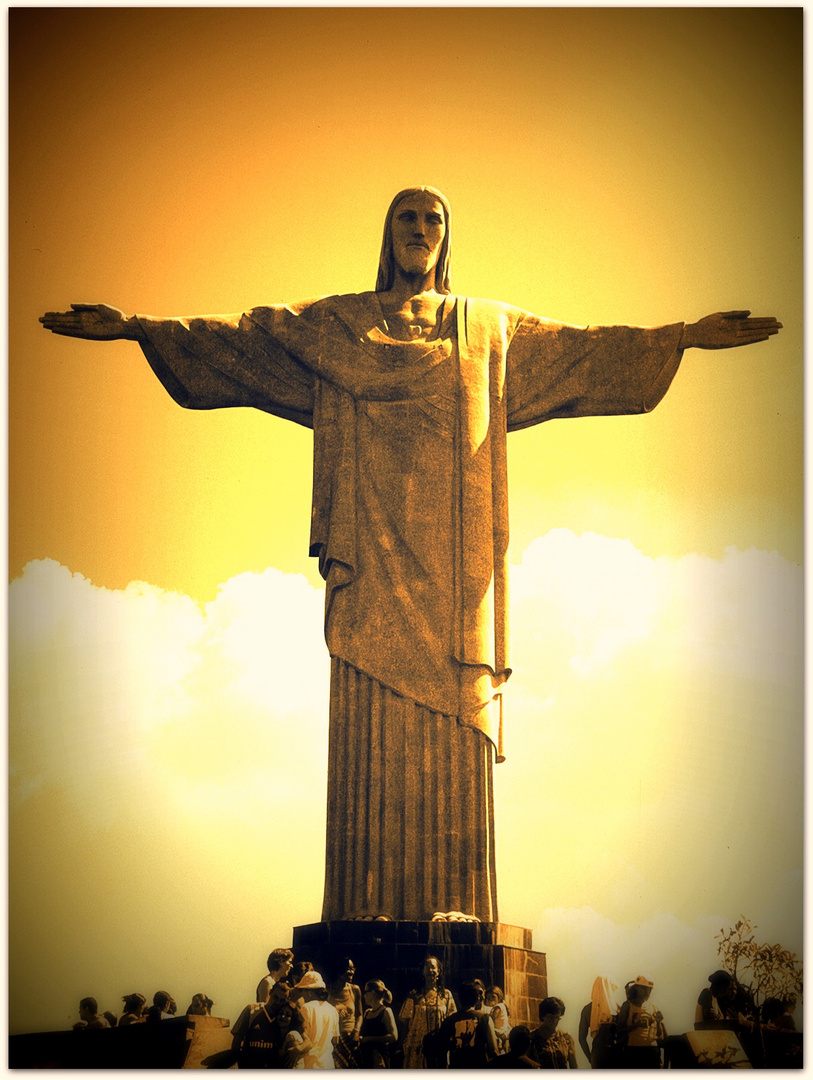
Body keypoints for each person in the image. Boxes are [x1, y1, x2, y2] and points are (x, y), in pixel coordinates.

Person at [40, 188, 782, 925]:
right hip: (368, 555)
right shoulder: (335, 328)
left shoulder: (489, 331)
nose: (419, 230)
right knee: (368, 704)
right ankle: (360, 911)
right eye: (406, 218)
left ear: (447, 238)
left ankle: (457, 909)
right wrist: (137, 328)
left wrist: (679, 336)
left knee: (454, 717)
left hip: (456, 572)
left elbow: (587, 350)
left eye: (433, 220)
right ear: (387, 233)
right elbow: (245, 337)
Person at [398, 955, 457, 1068]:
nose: (430, 970)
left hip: (439, 1044)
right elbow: (405, 1020)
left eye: (433, 967)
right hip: (416, 1045)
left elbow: (452, 1019)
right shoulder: (414, 995)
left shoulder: (446, 995)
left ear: (438, 971)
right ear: (422, 971)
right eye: (427, 967)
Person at [233, 991, 311, 1069]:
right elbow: (237, 1039)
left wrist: (298, 1049)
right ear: (270, 993)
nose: (283, 1016)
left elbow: (308, 1043)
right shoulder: (254, 1011)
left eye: (281, 1000)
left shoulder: (293, 1035)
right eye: (275, 997)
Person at [437, 980, 499, 1068]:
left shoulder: (449, 1021)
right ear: (477, 998)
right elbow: (493, 1051)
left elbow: (442, 1051)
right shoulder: (485, 1019)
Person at [615, 975, 665, 1069]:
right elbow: (619, 1031)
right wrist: (636, 1025)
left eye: (650, 989)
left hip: (651, 1051)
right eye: (644, 988)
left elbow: (660, 1036)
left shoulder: (654, 1008)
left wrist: (658, 1023)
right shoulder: (627, 1006)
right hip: (633, 1051)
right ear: (637, 988)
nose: (647, 992)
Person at [293, 970, 340, 1069]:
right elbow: (336, 1040)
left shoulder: (306, 1008)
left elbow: (305, 1041)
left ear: (309, 992)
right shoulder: (332, 1010)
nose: (302, 995)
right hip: (328, 1064)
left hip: (310, 1065)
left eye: (303, 991)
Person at [577, 975, 621, 1068]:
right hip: (615, 1053)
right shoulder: (616, 1009)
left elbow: (581, 1038)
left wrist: (590, 1057)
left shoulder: (587, 1009)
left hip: (597, 1054)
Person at [327, 958, 362, 1068]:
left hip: (351, 1039)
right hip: (334, 1040)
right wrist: (334, 1013)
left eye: (353, 969)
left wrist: (356, 1032)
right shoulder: (328, 991)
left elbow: (359, 1015)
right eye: (348, 969)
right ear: (339, 970)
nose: (351, 972)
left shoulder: (355, 989)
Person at [357, 980, 398, 1068]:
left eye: (366, 992)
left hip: (379, 1057)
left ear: (372, 993)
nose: (364, 996)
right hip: (366, 1056)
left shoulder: (386, 1011)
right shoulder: (367, 1012)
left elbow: (394, 1036)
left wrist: (369, 1039)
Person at [530, 997, 578, 1069]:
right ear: (543, 1016)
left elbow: (574, 1066)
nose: (554, 1021)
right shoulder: (532, 1038)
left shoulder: (566, 1038)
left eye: (557, 1018)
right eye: (551, 1018)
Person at [485, 986, 511, 1054]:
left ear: (499, 996)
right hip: (501, 1031)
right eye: (489, 998)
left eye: (493, 997)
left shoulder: (498, 1007)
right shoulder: (502, 1006)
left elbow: (492, 1019)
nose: (491, 999)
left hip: (498, 1031)